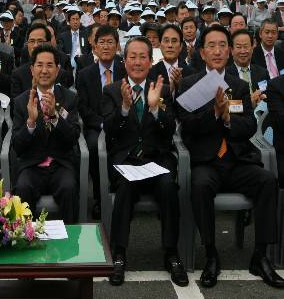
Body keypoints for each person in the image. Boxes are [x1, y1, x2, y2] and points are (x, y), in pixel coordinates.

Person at [176, 24, 284, 289]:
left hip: (236, 160)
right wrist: (214, 113)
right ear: (202, 53)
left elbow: (248, 125)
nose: (217, 51)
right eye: (211, 46)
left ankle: (260, 256)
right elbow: (186, 125)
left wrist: (226, 119)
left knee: (268, 181)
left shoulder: (237, 84)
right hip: (207, 161)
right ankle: (211, 253)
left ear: (229, 51)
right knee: (200, 186)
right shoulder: (190, 83)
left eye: (222, 45)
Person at [103, 36, 188, 287]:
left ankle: (171, 253)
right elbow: (109, 130)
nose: (137, 62)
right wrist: (125, 109)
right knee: (126, 187)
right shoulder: (112, 90)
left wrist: (154, 109)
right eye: (133, 56)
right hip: (126, 161)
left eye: (143, 57)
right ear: (124, 60)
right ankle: (119, 253)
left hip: (157, 159)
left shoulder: (160, 88)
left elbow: (170, 128)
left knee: (168, 186)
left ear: (151, 62)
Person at [12, 44, 80, 223]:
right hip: (32, 165)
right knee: (22, 188)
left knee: (69, 187)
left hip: (60, 164)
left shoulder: (69, 98)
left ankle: (70, 245)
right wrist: (31, 123)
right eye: (39, 65)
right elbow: (17, 146)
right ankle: (24, 243)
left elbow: (73, 138)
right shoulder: (21, 102)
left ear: (57, 70)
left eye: (49, 65)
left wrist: (55, 117)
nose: (44, 70)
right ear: (32, 69)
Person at [76, 26, 126, 220]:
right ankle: (99, 196)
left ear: (117, 46)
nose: (106, 47)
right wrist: (104, 124)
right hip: (97, 126)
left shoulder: (124, 69)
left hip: (123, 122)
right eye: (102, 42)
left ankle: (121, 191)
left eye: (110, 42)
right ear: (95, 47)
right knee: (95, 147)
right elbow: (84, 108)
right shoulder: (85, 74)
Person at [149, 24, 196, 95]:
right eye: (166, 41)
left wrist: (181, 85)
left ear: (180, 46)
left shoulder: (192, 73)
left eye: (174, 41)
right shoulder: (150, 73)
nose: (170, 45)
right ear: (160, 45)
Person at [227, 29, 269, 108]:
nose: (243, 51)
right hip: (238, 119)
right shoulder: (225, 75)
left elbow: (270, 99)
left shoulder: (263, 72)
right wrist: (249, 102)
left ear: (252, 48)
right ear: (232, 50)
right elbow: (227, 107)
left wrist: (263, 100)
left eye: (246, 46)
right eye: (238, 47)